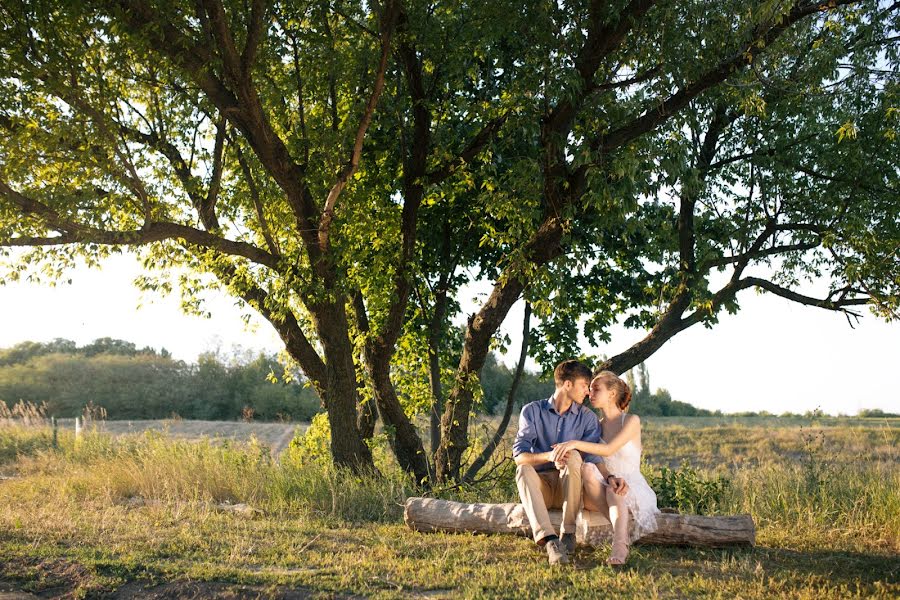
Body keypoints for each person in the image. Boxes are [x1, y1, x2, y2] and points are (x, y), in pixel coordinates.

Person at [513, 360, 628, 566]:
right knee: (523, 469)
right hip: (543, 488)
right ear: (567, 385)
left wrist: (610, 477)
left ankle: (568, 533)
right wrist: (549, 456)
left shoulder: (587, 418)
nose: (587, 392)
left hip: (572, 488)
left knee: (574, 455)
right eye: (584, 385)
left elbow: (594, 457)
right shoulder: (532, 411)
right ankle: (550, 541)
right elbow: (519, 455)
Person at [552, 370, 660, 566]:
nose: (590, 393)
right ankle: (620, 529)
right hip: (599, 486)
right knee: (587, 470)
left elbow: (609, 449)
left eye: (596, 389)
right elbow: (591, 460)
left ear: (611, 394)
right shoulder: (595, 425)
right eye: (590, 389)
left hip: (630, 486)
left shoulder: (631, 421)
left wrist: (573, 442)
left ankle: (620, 545)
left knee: (614, 488)